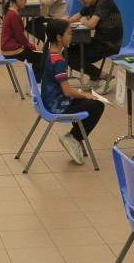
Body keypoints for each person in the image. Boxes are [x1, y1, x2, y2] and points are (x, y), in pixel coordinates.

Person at [39, 18, 105, 165]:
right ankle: (74, 137)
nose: (71, 36)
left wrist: (81, 94)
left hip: (50, 101)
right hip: (57, 105)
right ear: (59, 37)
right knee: (97, 106)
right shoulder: (58, 60)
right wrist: (85, 94)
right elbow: (67, 92)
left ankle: (75, 136)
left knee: (87, 101)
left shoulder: (50, 54)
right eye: (69, 33)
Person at [68, 0, 123, 91]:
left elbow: (91, 24)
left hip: (110, 44)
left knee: (72, 57)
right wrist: (65, 22)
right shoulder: (90, 3)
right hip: (100, 40)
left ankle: (107, 78)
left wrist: (84, 21)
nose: (81, 0)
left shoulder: (104, 0)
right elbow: (77, 16)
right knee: (68, 52)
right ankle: (95, 77)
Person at [0, 0, 42, 79]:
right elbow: (20, 36)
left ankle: (34, 83)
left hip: (9, 48)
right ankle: (36, 84)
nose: (26, 2)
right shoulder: (13, 15)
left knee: (37, 55)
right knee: (40, 57)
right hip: (12, 50)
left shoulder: (10, 12)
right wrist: (33, 46)